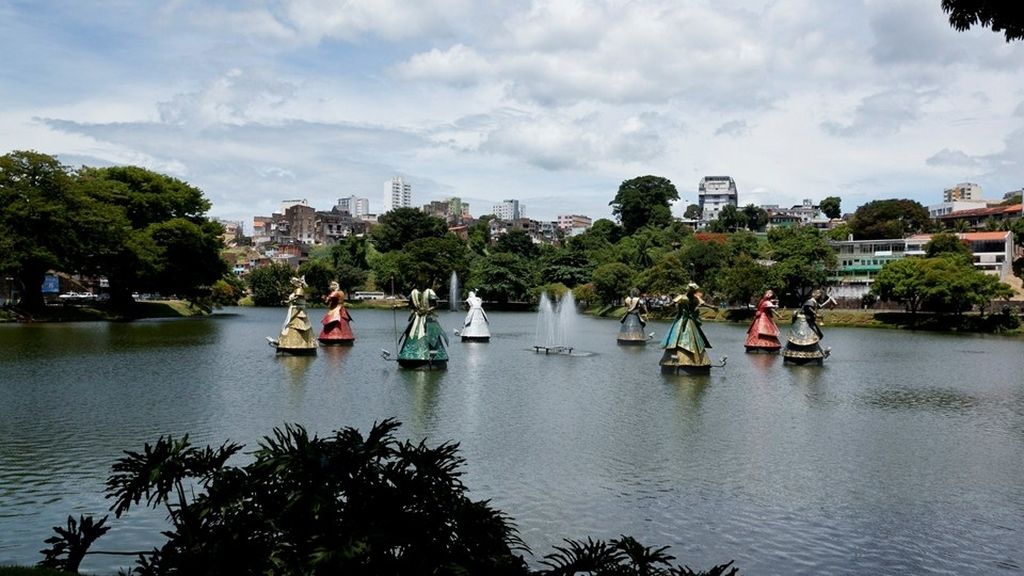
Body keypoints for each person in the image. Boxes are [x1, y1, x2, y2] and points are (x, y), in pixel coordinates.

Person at [659, 282, 718, 370]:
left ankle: (686, 361)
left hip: (684, 320)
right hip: (688, 321)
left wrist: (664, 305)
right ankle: (695, 361)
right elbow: (704, 304)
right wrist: (713, 307)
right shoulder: (692, 298)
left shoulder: (684, 297)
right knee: (685, 339)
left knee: (682, 339)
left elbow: (670, 305)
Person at [397, 285, 449, 368]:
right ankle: (409, 356)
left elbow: (436, 304)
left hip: (427, 318)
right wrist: (397, 306)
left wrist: (427, 310)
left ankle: (433, 357)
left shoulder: (429, 292)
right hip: (417, 318)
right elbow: (410, 305)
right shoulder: (414, 293)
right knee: (412, 334)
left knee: (431, 336)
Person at [783, 289, 833, 364]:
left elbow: (820, 306)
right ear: (813, 294)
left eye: (820, 294)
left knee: (817, 335)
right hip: (804, 322)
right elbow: (808, 308)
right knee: (810, 337)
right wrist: (816, 314)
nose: (819, 295)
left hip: (809, 321)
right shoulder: (810, 301)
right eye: (817, 293)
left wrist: (829, 302)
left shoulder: (814, 302)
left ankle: (821, 352)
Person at [275, 276, 317, 352]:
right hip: (294, 309)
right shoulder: (295, 290)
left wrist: (288, 301)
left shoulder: (299, 289)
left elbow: (297, 297)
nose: (293, 284)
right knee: (288, 324)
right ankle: (284, 340)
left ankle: (299, 343)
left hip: (298, 310)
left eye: (294, 283)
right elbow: (293, 297)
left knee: (292, 324)